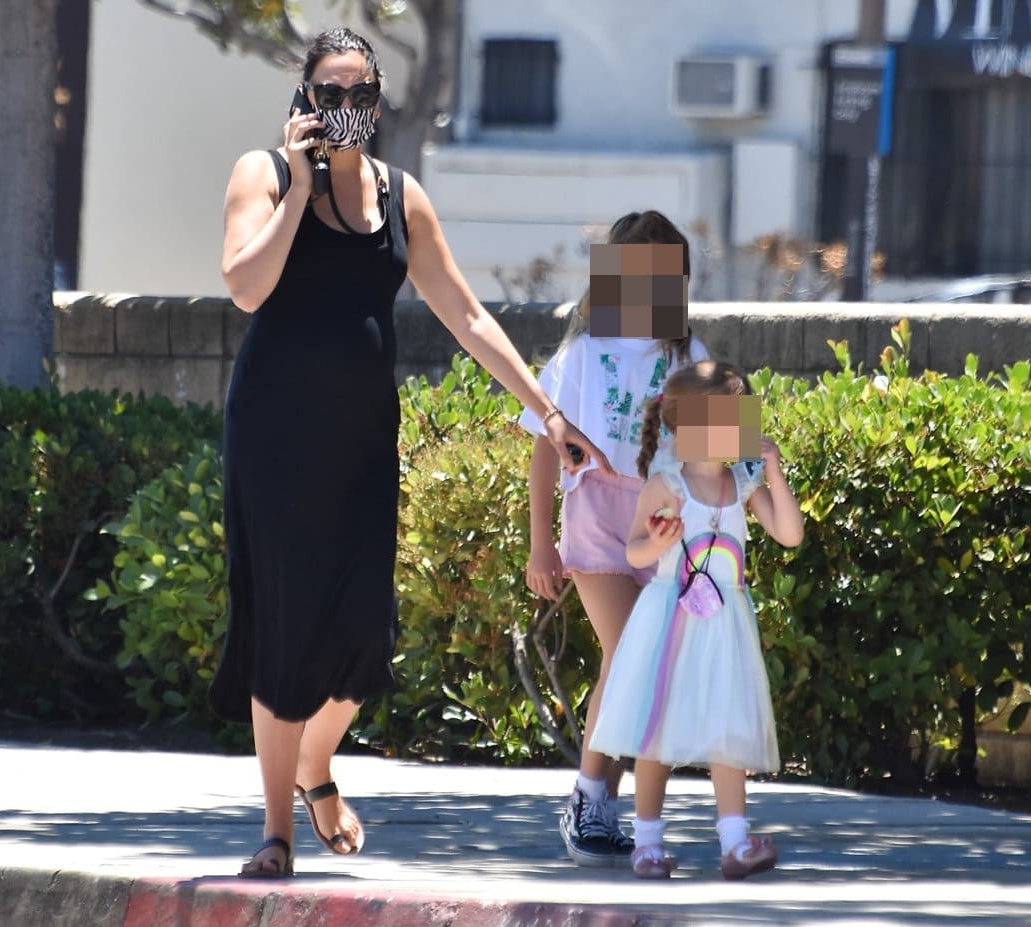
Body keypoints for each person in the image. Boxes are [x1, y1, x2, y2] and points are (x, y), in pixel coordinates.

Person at [209, 26, 610, 879]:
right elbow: (245, 286)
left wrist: (547, 413)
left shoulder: (402, 196)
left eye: (359, 95)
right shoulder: (264, 175)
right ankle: (276, 831)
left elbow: (468, 316)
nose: (344, 109)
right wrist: (300, 188)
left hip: (360, 444)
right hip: (275, 440)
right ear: (304, 101)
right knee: (282, 631)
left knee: (365, 634)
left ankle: (317, 758)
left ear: (379, 103)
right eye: (329, 94)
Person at [520, 211, 709, 866]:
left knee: (647, 659)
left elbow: (727, 449)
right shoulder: (581, 353)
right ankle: (589, 797)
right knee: (629, 650)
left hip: (664, 520)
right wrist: (540, 543)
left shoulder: (691, 354)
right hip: (597, 514)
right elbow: (545, 447)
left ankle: (602, 798)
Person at [588, 360, 804, 880]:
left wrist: (773, 468)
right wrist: (656, 542)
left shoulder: (743, 481)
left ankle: (735, 842)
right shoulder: (667, 484)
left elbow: (789, 533)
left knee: (727, 730)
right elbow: (636, 551)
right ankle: (648, 842)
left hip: (724, 626)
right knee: (656, 732)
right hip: (670, 623)